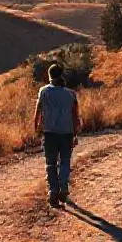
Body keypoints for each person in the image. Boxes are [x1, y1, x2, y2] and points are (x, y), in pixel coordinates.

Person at [33, 63, 81, 208]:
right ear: (61, 75)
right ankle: (64, 188)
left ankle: (53, 190)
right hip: (67, 132)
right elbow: (75, 116)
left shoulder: (44, 91)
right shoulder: (71, 94)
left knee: (51, 163)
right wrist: (76, 133)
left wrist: (37, 129)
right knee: (65, 161)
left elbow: (38, 112)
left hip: (49, 133)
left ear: (49, 76)